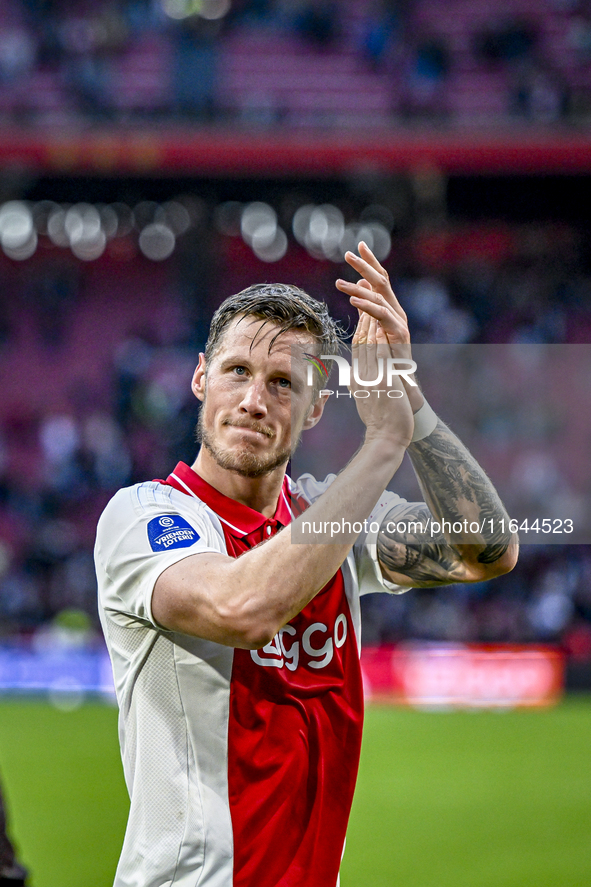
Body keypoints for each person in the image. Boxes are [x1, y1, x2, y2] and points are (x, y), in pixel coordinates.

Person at [95, 242, 518, 887]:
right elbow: (243, 608)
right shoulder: (143, 518)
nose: (254, 401)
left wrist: (412, 406)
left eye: (284, 383)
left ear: (318, 407)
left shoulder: (330, 517)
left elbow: (487, 549)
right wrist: (383, 444)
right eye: (237, 371)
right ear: (201, 378)